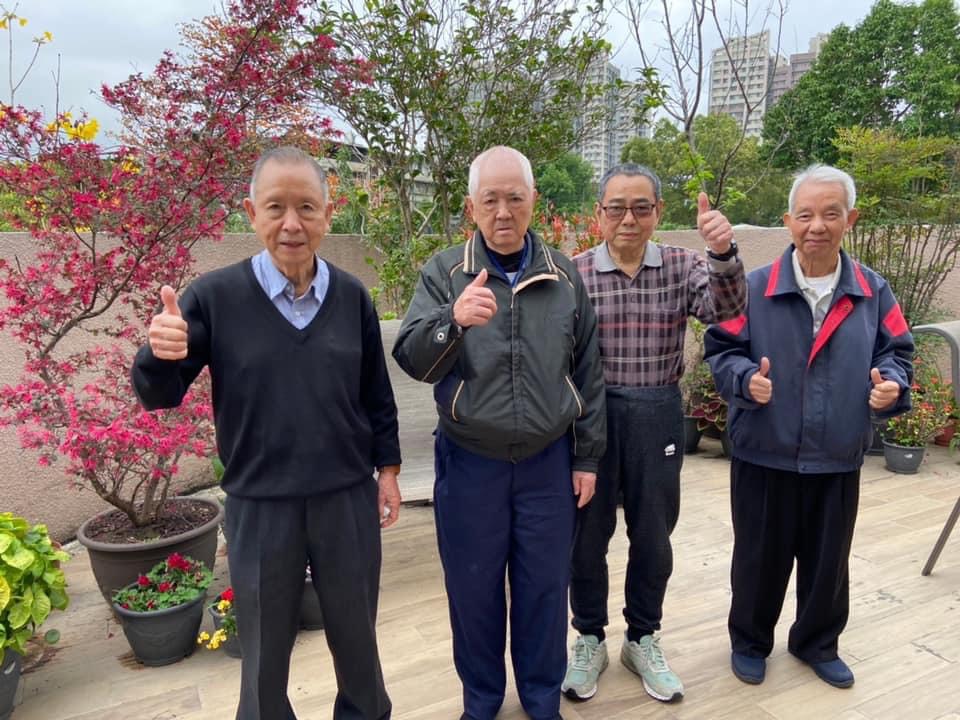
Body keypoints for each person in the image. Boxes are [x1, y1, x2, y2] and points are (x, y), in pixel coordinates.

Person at [131, 146, 401, 720]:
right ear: (251, 213)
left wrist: (389, 472)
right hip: (260, 505)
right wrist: (158, 354)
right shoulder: (213, 297)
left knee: (358, 640)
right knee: (263, 654)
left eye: (307, 207)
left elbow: (377, 396)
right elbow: (161, 393)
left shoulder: (353, 297)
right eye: (276, 207)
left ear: (330, 213)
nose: (292, 224)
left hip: (345, 499)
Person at [392, 145, 606, 720]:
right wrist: (452, 322)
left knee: (542, 589)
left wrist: (587, 458)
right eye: (492, 199)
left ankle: (541, 701)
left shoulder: (564, 277)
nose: (504, 211)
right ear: (472, 206)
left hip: (548, 462)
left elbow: (587, 372)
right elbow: (413, 361)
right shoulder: (443, 273)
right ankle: (481, 702)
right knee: (473, 591)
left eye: (516, 198)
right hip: (470, 464)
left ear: (535, 201)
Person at [704, 164, 913, 689]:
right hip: (764, 449)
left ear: (850, 219)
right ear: (788, 222)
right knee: (758, 557)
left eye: (830, 214)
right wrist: (745, 379)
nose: (817, 225)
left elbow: (899, 354)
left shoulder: (873, 290)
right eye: (806, 215)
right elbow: (720, 350)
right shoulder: (751, 288)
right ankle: (750, 641)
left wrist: (892, 385)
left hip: (837, 451)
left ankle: (816, 642)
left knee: (828, 560)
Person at [562, 163, 747, 703]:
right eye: (616, 207)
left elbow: (728, 311)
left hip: (659, 413)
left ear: (658, 214)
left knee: (653, 535)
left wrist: (723, 253)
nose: (628, 218)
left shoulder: (684, 266)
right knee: (585, 536)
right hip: (590, 421)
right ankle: (590, 637)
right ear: (598, 215)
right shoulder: (574, 274)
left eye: (641, 207)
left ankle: (642, 636)